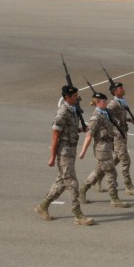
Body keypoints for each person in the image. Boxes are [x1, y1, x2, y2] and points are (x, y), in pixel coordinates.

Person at [34, 85, 94, 226]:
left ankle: (43, 206)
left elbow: (70, 129)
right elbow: (55, 136)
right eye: (74, 96)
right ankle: (78, 215)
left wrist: (81, 129)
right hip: (64, 151)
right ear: (67, 97)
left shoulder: (73, 110)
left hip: (71, 149)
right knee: (72, 182)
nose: (77, 98)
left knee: (62, 181)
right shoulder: (62, 113)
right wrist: (52, 157)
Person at [78, 92, 130, 208]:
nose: (106, 102)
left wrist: (116, 134)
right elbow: (89, 135)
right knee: (111, 173)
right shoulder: (96, 117)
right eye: (104, 101)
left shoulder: (104, 113)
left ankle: (83, 189)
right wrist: (83, 152)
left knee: (99, 171)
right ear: (98, 102)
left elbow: (108, 129)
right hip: (101, 149)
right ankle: (114, 199)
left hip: (107, 147)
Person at [91, 82, 134, 196]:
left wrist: (129, 120)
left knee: (115, 159)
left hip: (123, 133)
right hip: (118, 135)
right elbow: (108, 116)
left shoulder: (122, 102)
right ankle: (128, 186)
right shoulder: (112, 104)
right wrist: (116, 126)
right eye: (120, 88)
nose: (123, 89)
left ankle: (96, 179)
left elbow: (121, 116)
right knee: (125, 160)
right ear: (115, 91)